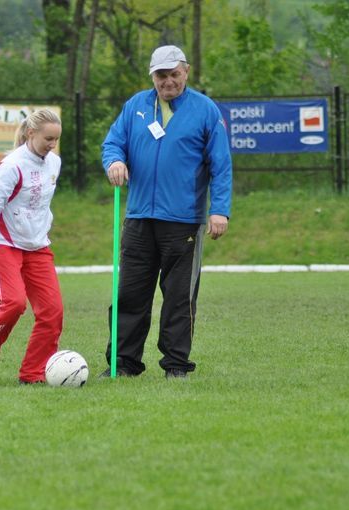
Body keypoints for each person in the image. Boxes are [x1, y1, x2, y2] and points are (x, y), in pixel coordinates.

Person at [100, 44, 232, 379]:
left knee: (178, 298)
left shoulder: (205, 110)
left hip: (183, 221)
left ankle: (175, 365)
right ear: (152, 76)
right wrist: (114, 161)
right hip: (139, 218)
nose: (168, 81)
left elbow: (221, 165)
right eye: (161, 75)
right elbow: (113, 143)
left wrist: (219, 210)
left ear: (186, 71)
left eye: (174, 74)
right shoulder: (136, 106)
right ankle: (123, 363)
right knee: (129, 294)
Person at [0, 109, 64, 385]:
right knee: (13, 303)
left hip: (38, 247)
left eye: (56, 139)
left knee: (53, 312)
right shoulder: (12, 165)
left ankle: (33, 373)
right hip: (5, 244)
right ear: (31, 133)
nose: (52, 145)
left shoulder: (54, 163)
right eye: (48, 139)